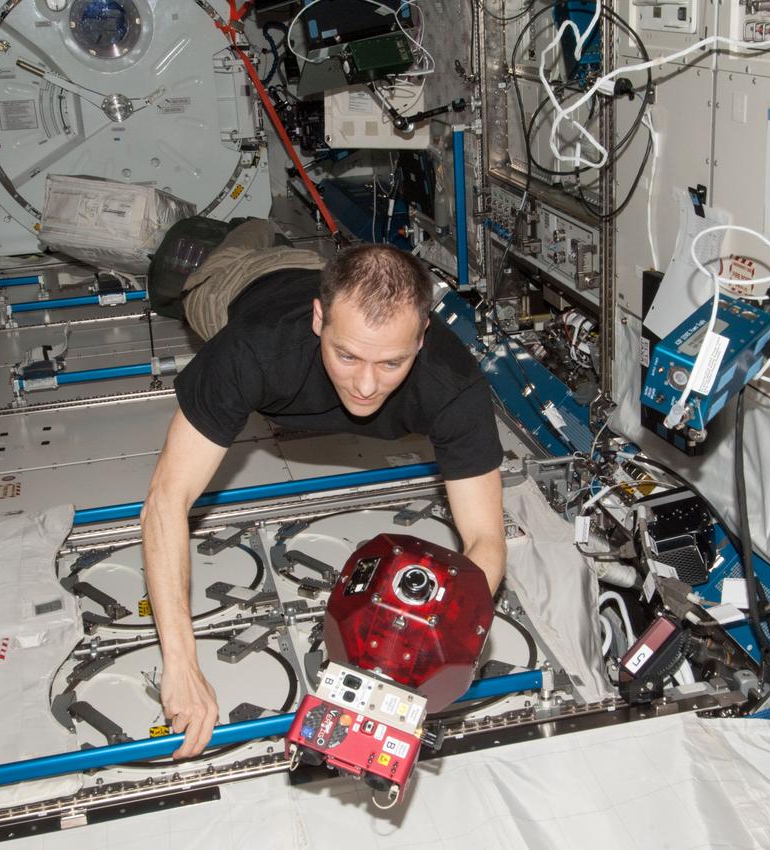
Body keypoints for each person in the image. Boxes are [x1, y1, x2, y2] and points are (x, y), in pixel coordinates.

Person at [141, 223, 506, 759]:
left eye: (391, 363)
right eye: (348, 356)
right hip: (244, 287)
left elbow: (484, 542)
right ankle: (244, 232)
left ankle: (290, 245)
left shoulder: (454, 383)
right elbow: (166, 501)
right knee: (192, 275)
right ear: (319, 322)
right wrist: (181, 663)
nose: (365, 385)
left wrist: (425, 646)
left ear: (422, 337)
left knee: (303, 258)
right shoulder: (255, 350)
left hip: (319, 283)